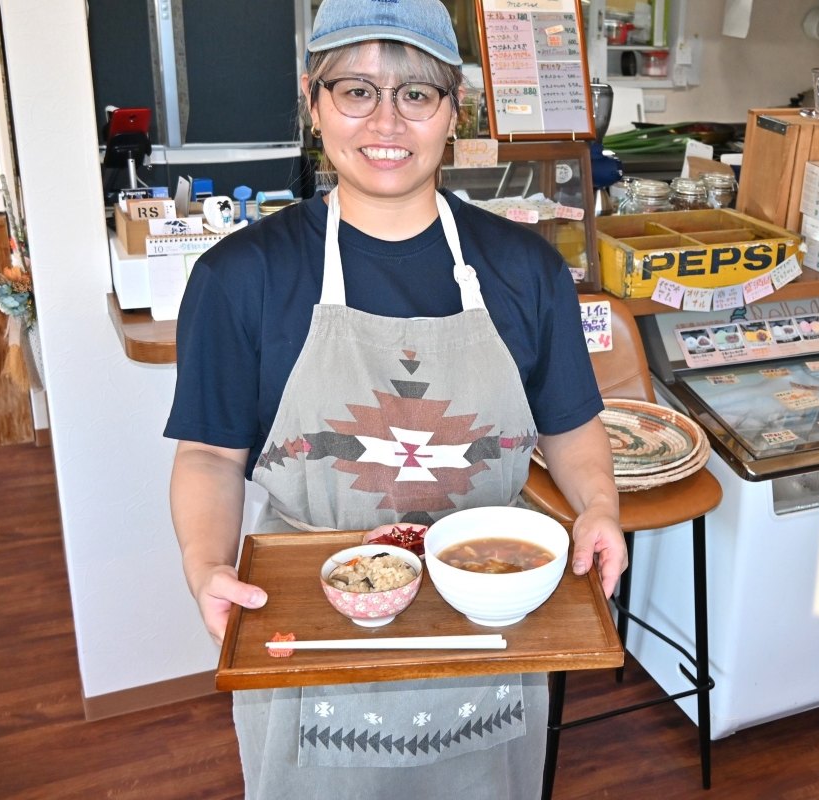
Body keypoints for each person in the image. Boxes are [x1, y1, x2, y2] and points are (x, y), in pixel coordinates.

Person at [164, 0, 627, 796]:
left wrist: (599, 508)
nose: (387, 120)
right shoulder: (240, 277)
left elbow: (573, 429)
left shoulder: (526, 271)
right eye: (356, 90)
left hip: (488, 604)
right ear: (315, 103)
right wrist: (206, 563)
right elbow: (209, 452)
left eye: (417, 93)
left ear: (455, 112)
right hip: (312, 616)